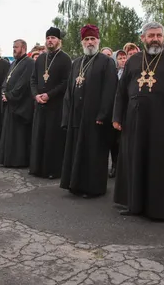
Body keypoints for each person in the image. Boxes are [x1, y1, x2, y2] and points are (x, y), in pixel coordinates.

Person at [113, 21, 164, 220]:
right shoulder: (134, 60)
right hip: (134, 119)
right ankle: (133, 204)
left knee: (158, 163)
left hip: (162, 120)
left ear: (163, 38)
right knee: (134, 160)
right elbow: (121, 91)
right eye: (151, 35)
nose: (155, 39)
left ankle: (158, 209)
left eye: (158, 35)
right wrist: (117, 116)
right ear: (143, 38)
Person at [60, 25, 117, 197]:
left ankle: (92, 188)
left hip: (94, 117)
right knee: (76, 150)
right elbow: (69, 90)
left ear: (98, 41)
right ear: (82, 42)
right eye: (87, 39)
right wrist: (67, 114)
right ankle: (74, 184)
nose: (90, 42)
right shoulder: (76, 62)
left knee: (93, 152)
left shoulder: (107, 62)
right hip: (76, 115)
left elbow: (110, 90)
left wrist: (103, 114)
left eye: (93, 39)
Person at [29, 27, 71, 178]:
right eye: (48, 38)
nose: (50, 40)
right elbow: (33, 79)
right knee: (39, 136)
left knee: (52, 138)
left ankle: (52, 170)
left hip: (56, 105)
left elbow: (66, 82)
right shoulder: (41, 58)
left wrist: (49, 95)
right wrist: (36, 95)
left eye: (53, 38)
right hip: (40, 104)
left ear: (59, 41)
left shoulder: (65, 59)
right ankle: (37, 168)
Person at [0, 40, 35, 167]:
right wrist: (3, 92)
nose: (14, 49)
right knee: (9, 133)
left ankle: (18, 161)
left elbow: (23, 83)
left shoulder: (29, 63)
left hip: (20, 104)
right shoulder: (14, 63)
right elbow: (6, 81)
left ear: (23, 48)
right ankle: (7, 159)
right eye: (13, 47)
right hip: (10, 103)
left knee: (18, 136)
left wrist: (9, 96)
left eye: (16, 47)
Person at [109, 50, 127, 178]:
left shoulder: (130, 72)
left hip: (127, 111)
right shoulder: (111, 74)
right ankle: (115, 165)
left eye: (125, 57)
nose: (123, 60)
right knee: (114, 141)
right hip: (114, 110)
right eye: (120, 58)